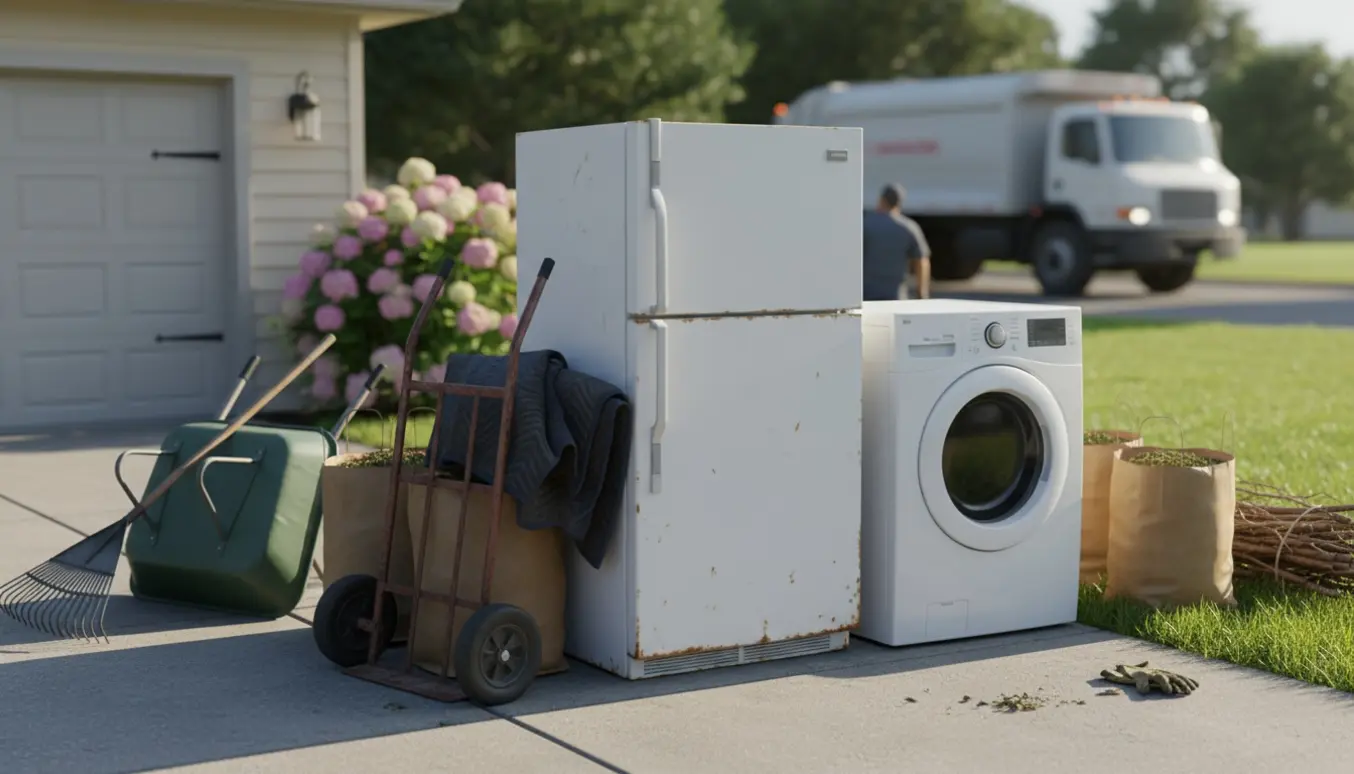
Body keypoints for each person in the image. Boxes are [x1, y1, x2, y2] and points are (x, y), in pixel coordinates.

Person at [862, 183, 931, 301]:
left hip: (867, 295)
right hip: (897, 297)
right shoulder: (909, 227)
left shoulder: (865, 224)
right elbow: (922, 261)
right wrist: (922, 293)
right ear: (899, 202)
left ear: (881, 200)